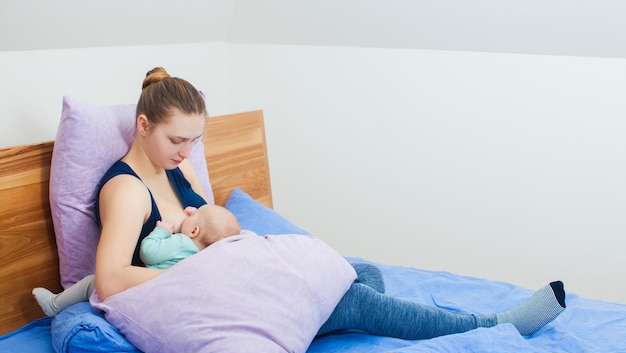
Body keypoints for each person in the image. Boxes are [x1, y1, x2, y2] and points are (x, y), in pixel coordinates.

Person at [48, 67, 568, 338]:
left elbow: (210, 232)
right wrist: (200, 275)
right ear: (142, 126)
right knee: (359, 300)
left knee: (358, 274)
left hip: (223, 280)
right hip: (191, 297)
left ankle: (313, 320)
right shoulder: (125, 189)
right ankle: (493, 328)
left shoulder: (173, 169)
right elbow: (111, 279)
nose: (186, 153)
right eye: (176, 141)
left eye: (194, 142)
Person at [32, 203, 242, 316]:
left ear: (194, 230)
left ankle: (55, 304)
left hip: (147, 291)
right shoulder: (205, 257)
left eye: (192, 216)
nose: (187, 214)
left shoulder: (180, 242)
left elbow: (148, 253)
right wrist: (197, 215)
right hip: (174, 301)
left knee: (92, 283)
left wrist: (161, 232)